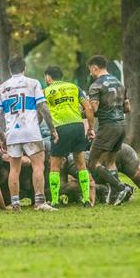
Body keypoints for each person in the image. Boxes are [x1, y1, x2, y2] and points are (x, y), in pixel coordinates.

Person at [0, 55, 58, 211]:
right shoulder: (33, 83)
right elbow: (43, 107)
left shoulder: (1, 88)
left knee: (14, 169)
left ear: (10, 69)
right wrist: (52, 129)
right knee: (38, 166)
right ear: (24, 68)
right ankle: (39, 202)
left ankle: (15, 203)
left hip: (12, 133)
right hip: (31, 131)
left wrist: (2, 137)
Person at [43, 66, 96, 207]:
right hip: (78, 126)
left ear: (48, 77)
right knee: (80, 164)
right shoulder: (74, 87)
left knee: (55, 166)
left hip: (60, 128)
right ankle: (86, 200)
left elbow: (41, 113)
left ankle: (54, 201)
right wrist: (91, 128)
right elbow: (89, 108)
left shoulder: (46, 91)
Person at [87, 55, 132, 206]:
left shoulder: (96, 85)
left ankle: (120, 188)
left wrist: (84, 109)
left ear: (95, 68)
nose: (91, 74)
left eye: (91, 71)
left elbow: (93, 109)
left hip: (107, 127)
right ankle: (114, 196)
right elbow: (127, 108)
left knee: (92, 163)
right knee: (110, 161)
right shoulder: (120, 83)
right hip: (122, 126)